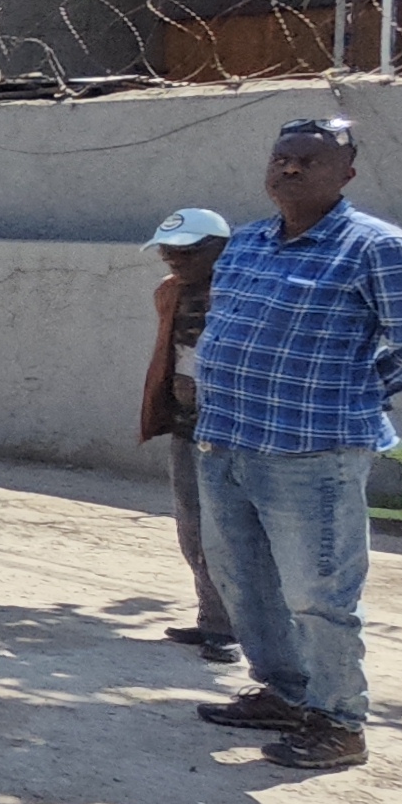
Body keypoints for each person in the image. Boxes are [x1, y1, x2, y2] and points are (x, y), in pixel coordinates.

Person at [190, 117, 402, 771]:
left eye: (309, 159)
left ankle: (340, 723)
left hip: (314, 454)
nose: (290, 168)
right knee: (245, 583)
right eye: (282, 157)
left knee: (319, 594)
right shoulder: (248, 241)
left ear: (347, 175)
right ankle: (285, 693)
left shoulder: (374, 246)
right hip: (227, 443)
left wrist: (359, 394)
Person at [137, 205, 238, 662]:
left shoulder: (242, 293)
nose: (174, 260)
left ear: (219, 249)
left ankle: (243, 632)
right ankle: (213, 622)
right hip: (187, 427)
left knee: (233, 534)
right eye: (167, 252)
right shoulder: (171, 294)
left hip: (236, 432)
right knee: (193, 530)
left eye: (186, 251)